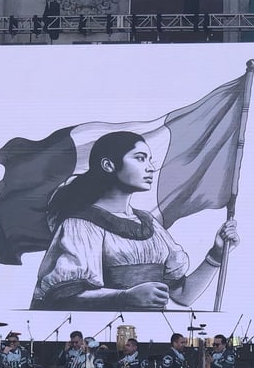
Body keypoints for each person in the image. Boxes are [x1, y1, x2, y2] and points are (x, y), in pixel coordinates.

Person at [31, 131, 239, 310]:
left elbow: (183, 296)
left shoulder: (149, 223)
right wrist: (124, 297)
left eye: (149, 159)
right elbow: (63, 299)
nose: (150, 168)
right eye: (140, 158)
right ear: (108, 165)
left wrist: (217, 254)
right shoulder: (80, 224)